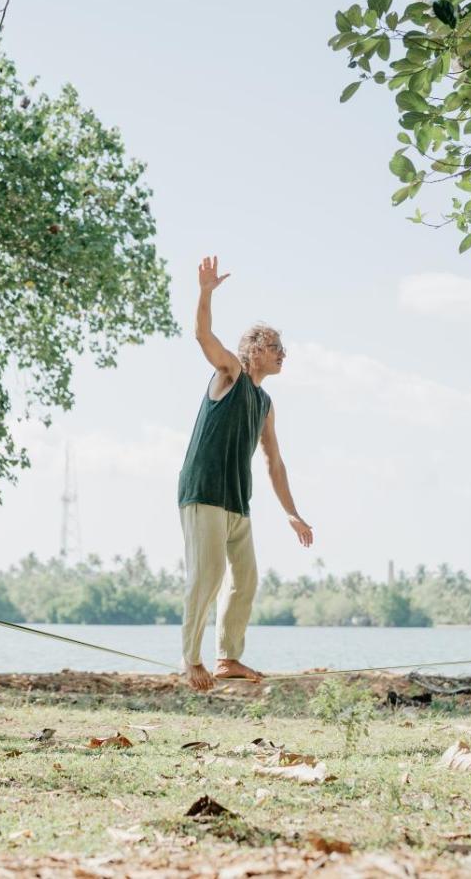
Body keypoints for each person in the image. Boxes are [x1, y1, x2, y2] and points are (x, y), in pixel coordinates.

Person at [177, 256, 313, 692]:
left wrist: (291, 512)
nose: (282, 354)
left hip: (237, 500)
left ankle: (227, 658)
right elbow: (203, 336)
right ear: (253, 351)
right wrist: (205, 293)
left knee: (245, 579)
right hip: (204, 491)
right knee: (208, 576)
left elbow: (275, 461)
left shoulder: (265, 404)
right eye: (275, 347)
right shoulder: (230, 374)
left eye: (282, 348)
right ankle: (191, 660)